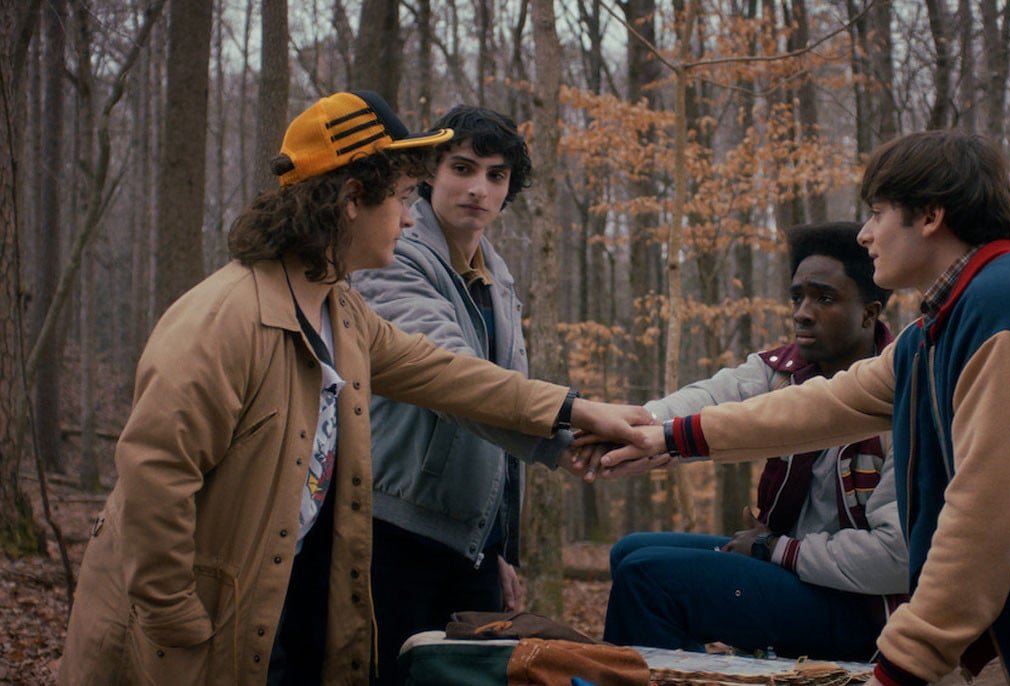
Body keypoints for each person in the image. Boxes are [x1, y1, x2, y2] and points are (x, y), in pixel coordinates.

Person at [57, 91, 650, 686]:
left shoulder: (339, 311)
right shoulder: (224, 319)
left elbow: (449, 375)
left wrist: (577, 410)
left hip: (260, 606)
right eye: (400, 198)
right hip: (181, 630)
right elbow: (155, 473)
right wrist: (174, 615)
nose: (410, 218)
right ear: (350, 200)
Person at [600, 130, 1010, 686]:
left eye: (878, 213)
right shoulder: (937, 333)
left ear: (931, 216)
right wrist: (668, 436)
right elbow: (825, 404)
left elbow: (982, 515)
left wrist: (903, 666)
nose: (865, 234)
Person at [602, 222, 907, 661]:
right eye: (797, 297)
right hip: (797, 572)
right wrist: (623, 429)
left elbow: (897, 558)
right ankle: (684, 670)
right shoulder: (783, 372)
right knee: (630, 551)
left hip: (865, 609)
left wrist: (773, 548)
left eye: (824, 299)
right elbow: (707, 400)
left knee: (647, 577)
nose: (802, 313)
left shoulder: (901, 400)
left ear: (868, 313)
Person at [351, 105, 562, 682]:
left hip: (468, 542)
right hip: (393, 529)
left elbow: (499, 427)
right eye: (463, 168)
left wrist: (497, 545)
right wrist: (573, 430)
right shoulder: (391, 255)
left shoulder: (497, 276)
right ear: (430, 174)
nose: (478, 189)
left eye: (496, 175)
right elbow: (458, 380)